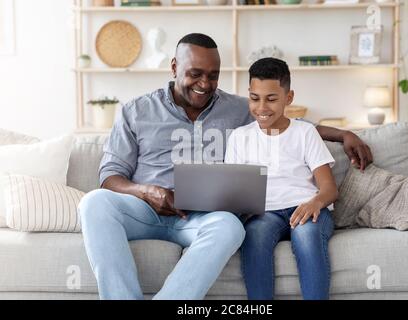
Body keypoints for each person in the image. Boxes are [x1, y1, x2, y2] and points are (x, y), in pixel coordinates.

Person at [78, 33, 372, 300]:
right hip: (145, 210)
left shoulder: (237, 108)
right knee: (93, 203)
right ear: (174, 67)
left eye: (213, 76)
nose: (205, 84)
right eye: (195, 74)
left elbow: (287, 125)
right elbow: (109, 177)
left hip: (202, 218)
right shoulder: (135, 111)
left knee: (232, 226)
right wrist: (145, 191)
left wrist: (343, 134)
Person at [225, 57, 337, 300]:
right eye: (255, 98)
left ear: (289, 97)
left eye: (272, 99)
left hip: (307, 209)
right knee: (254, 236)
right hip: (263, 214)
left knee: (307, 236)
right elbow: (234, 192)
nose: (262, 107)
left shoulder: (305, 132)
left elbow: (329, 188)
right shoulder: (238, 137)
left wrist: (315, 203)